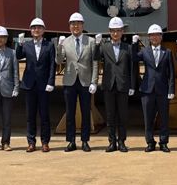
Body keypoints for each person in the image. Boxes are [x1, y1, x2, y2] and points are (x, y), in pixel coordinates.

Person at [57, 12, 98, 152]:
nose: (76, 26)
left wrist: (94, 81)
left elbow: (95, 63)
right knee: (70, 112)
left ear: (82, 25)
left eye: (78, 24)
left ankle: (85, 141)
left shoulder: (91, 41)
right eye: (73, 24)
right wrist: (59, 46)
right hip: (70, 81)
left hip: (85, 81)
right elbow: (58, 61)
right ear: (69, 26)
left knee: (86, 112)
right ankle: (71, 141)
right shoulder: (66, 41)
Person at [95, 16, 135, 152]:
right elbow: (95, 58)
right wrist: (96, 45)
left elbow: (132, 68)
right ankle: (112, 142)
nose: (116, 33)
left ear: (123, 31)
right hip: (109, 85)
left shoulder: (127, 48)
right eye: (113, 31)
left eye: (118, 30)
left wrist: (132, 85)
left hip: (123, 85)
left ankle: (122, 141)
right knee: (110, 115)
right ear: (109, 32)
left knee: (123, 116)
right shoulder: (104, 47)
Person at [16, 18, 56, 152]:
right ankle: (31, 142)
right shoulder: (27, 45)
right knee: (30, 116)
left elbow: (52, 65)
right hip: (29, 84)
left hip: (44, 85)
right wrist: (19, 44)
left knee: (44, 115)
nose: (36, 30)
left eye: (39, 27)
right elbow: (18, 56)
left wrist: (51, 82)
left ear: (43, 30)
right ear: (30, 30)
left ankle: (45, 142)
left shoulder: (49, 45)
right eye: (33, 28)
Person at [134, 24, 175, 152]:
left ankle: (163, 142)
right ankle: (150, 142)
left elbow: (171, 73)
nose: (155, 37)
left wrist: (171, 90)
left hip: (162, 90)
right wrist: (134, 44)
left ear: (161, 37)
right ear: (149, 37)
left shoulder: (167, 52)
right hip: (147, 90)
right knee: (148, 118)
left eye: (157, 35)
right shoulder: (144, 52)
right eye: (152, 35)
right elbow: (134, 58)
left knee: (164, 117)